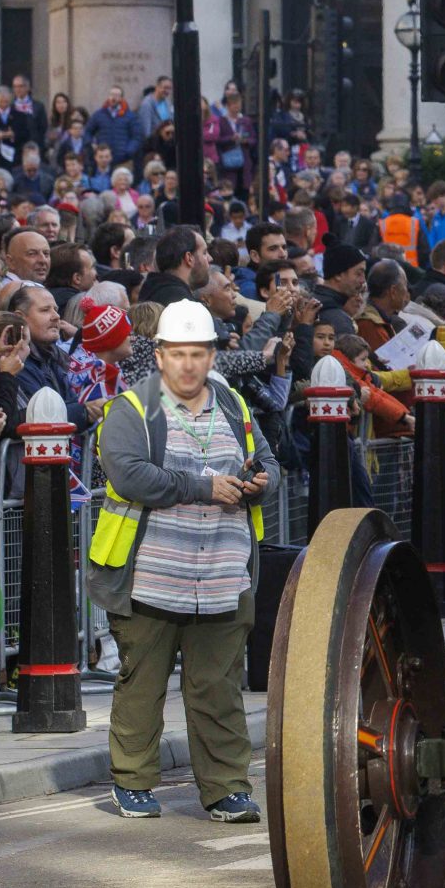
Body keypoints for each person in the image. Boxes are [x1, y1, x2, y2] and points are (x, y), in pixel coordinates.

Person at [88, 299, 269, 822]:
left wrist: (261, 483)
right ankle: (133, 782)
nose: (189, 364)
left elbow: (270, 460)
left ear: (212, 355)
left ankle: (227, 789)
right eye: (178, 353)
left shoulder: (234, 404)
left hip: (221, 574)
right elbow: (128, 475)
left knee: (218, 688)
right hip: (149, 575)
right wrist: (204, 487)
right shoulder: (131, 408)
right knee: (143, 683)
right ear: (161, 355)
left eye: (199, 353)